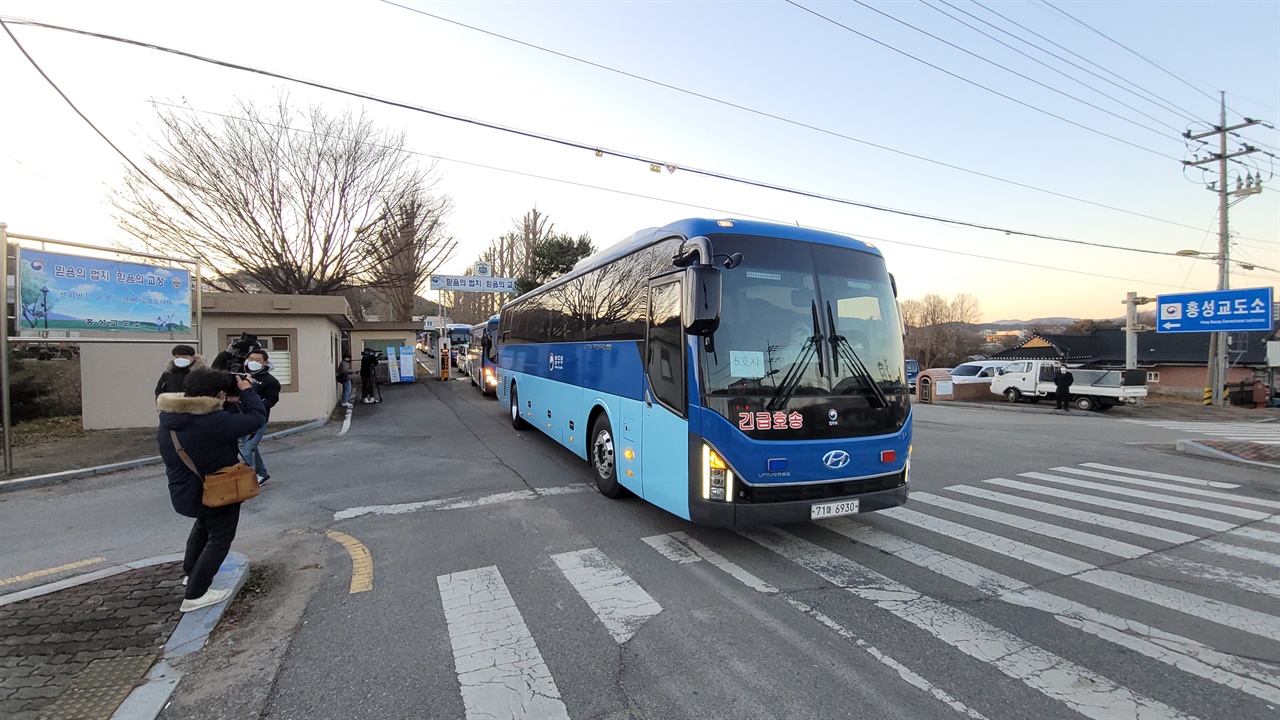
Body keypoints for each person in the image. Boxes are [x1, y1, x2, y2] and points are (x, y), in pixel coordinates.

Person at [157, 368, 266, 612]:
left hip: (185, 489)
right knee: (220, 539)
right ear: (217, 394)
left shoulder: (170, 417)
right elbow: (257, 417)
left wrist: (225, 402)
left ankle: (191, 573)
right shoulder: (214, 422)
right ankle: (195, 594)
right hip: (216, 490)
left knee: (203, 528)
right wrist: (247, 392)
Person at [239, 349, 280, 484]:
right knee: (251, 446)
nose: (253, 362)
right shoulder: (240, 375)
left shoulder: (270, 381)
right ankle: (262, 473)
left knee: (247, 450)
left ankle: (247, 481)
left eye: (258, 360)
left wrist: (256, 406)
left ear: (265, 363)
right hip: (240, 418)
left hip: (258, 420)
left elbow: (271, 400)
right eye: (251, 359)